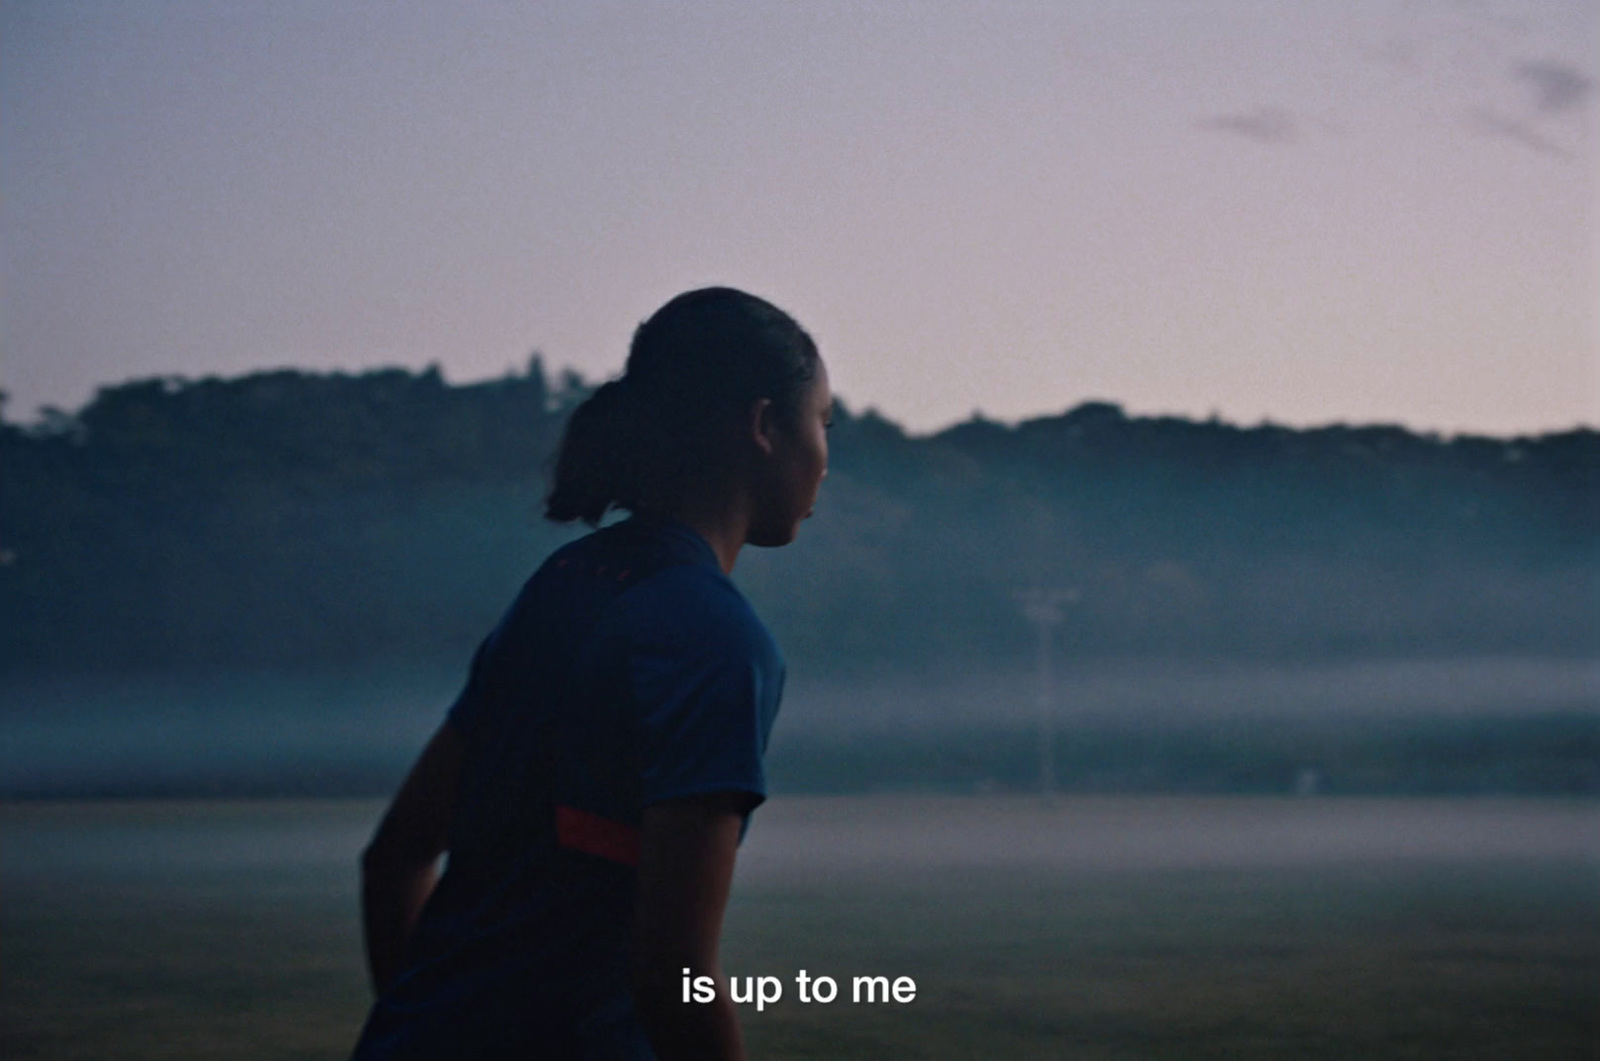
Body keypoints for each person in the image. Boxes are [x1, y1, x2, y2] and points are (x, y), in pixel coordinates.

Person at [350, 287, 831, 1061]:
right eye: (824, 424)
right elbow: (672, 978)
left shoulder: (565, 581)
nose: (826, 460)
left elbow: (394, 857)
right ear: (766, 426)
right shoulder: (713, 636)